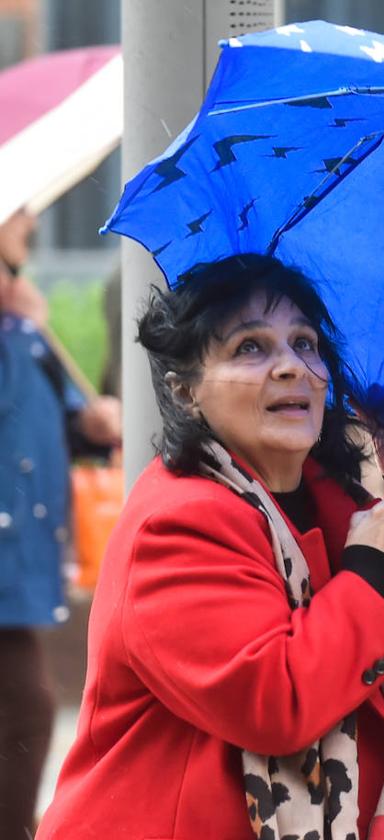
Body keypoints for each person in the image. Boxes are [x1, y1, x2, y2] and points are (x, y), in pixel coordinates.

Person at [37, 254, 384, 840]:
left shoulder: (337, 504)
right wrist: (371, 567)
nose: (291, 367)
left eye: (305, 344)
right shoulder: (175, 526)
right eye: (250, 348)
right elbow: (277, 704)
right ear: (184, 393)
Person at [0, 208, 121, 838]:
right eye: (17, 210)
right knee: (28, 711)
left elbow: (46, 417)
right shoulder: (17, 321)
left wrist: (90, 426)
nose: (29, 220)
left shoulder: (23, 321)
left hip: (21, 549)